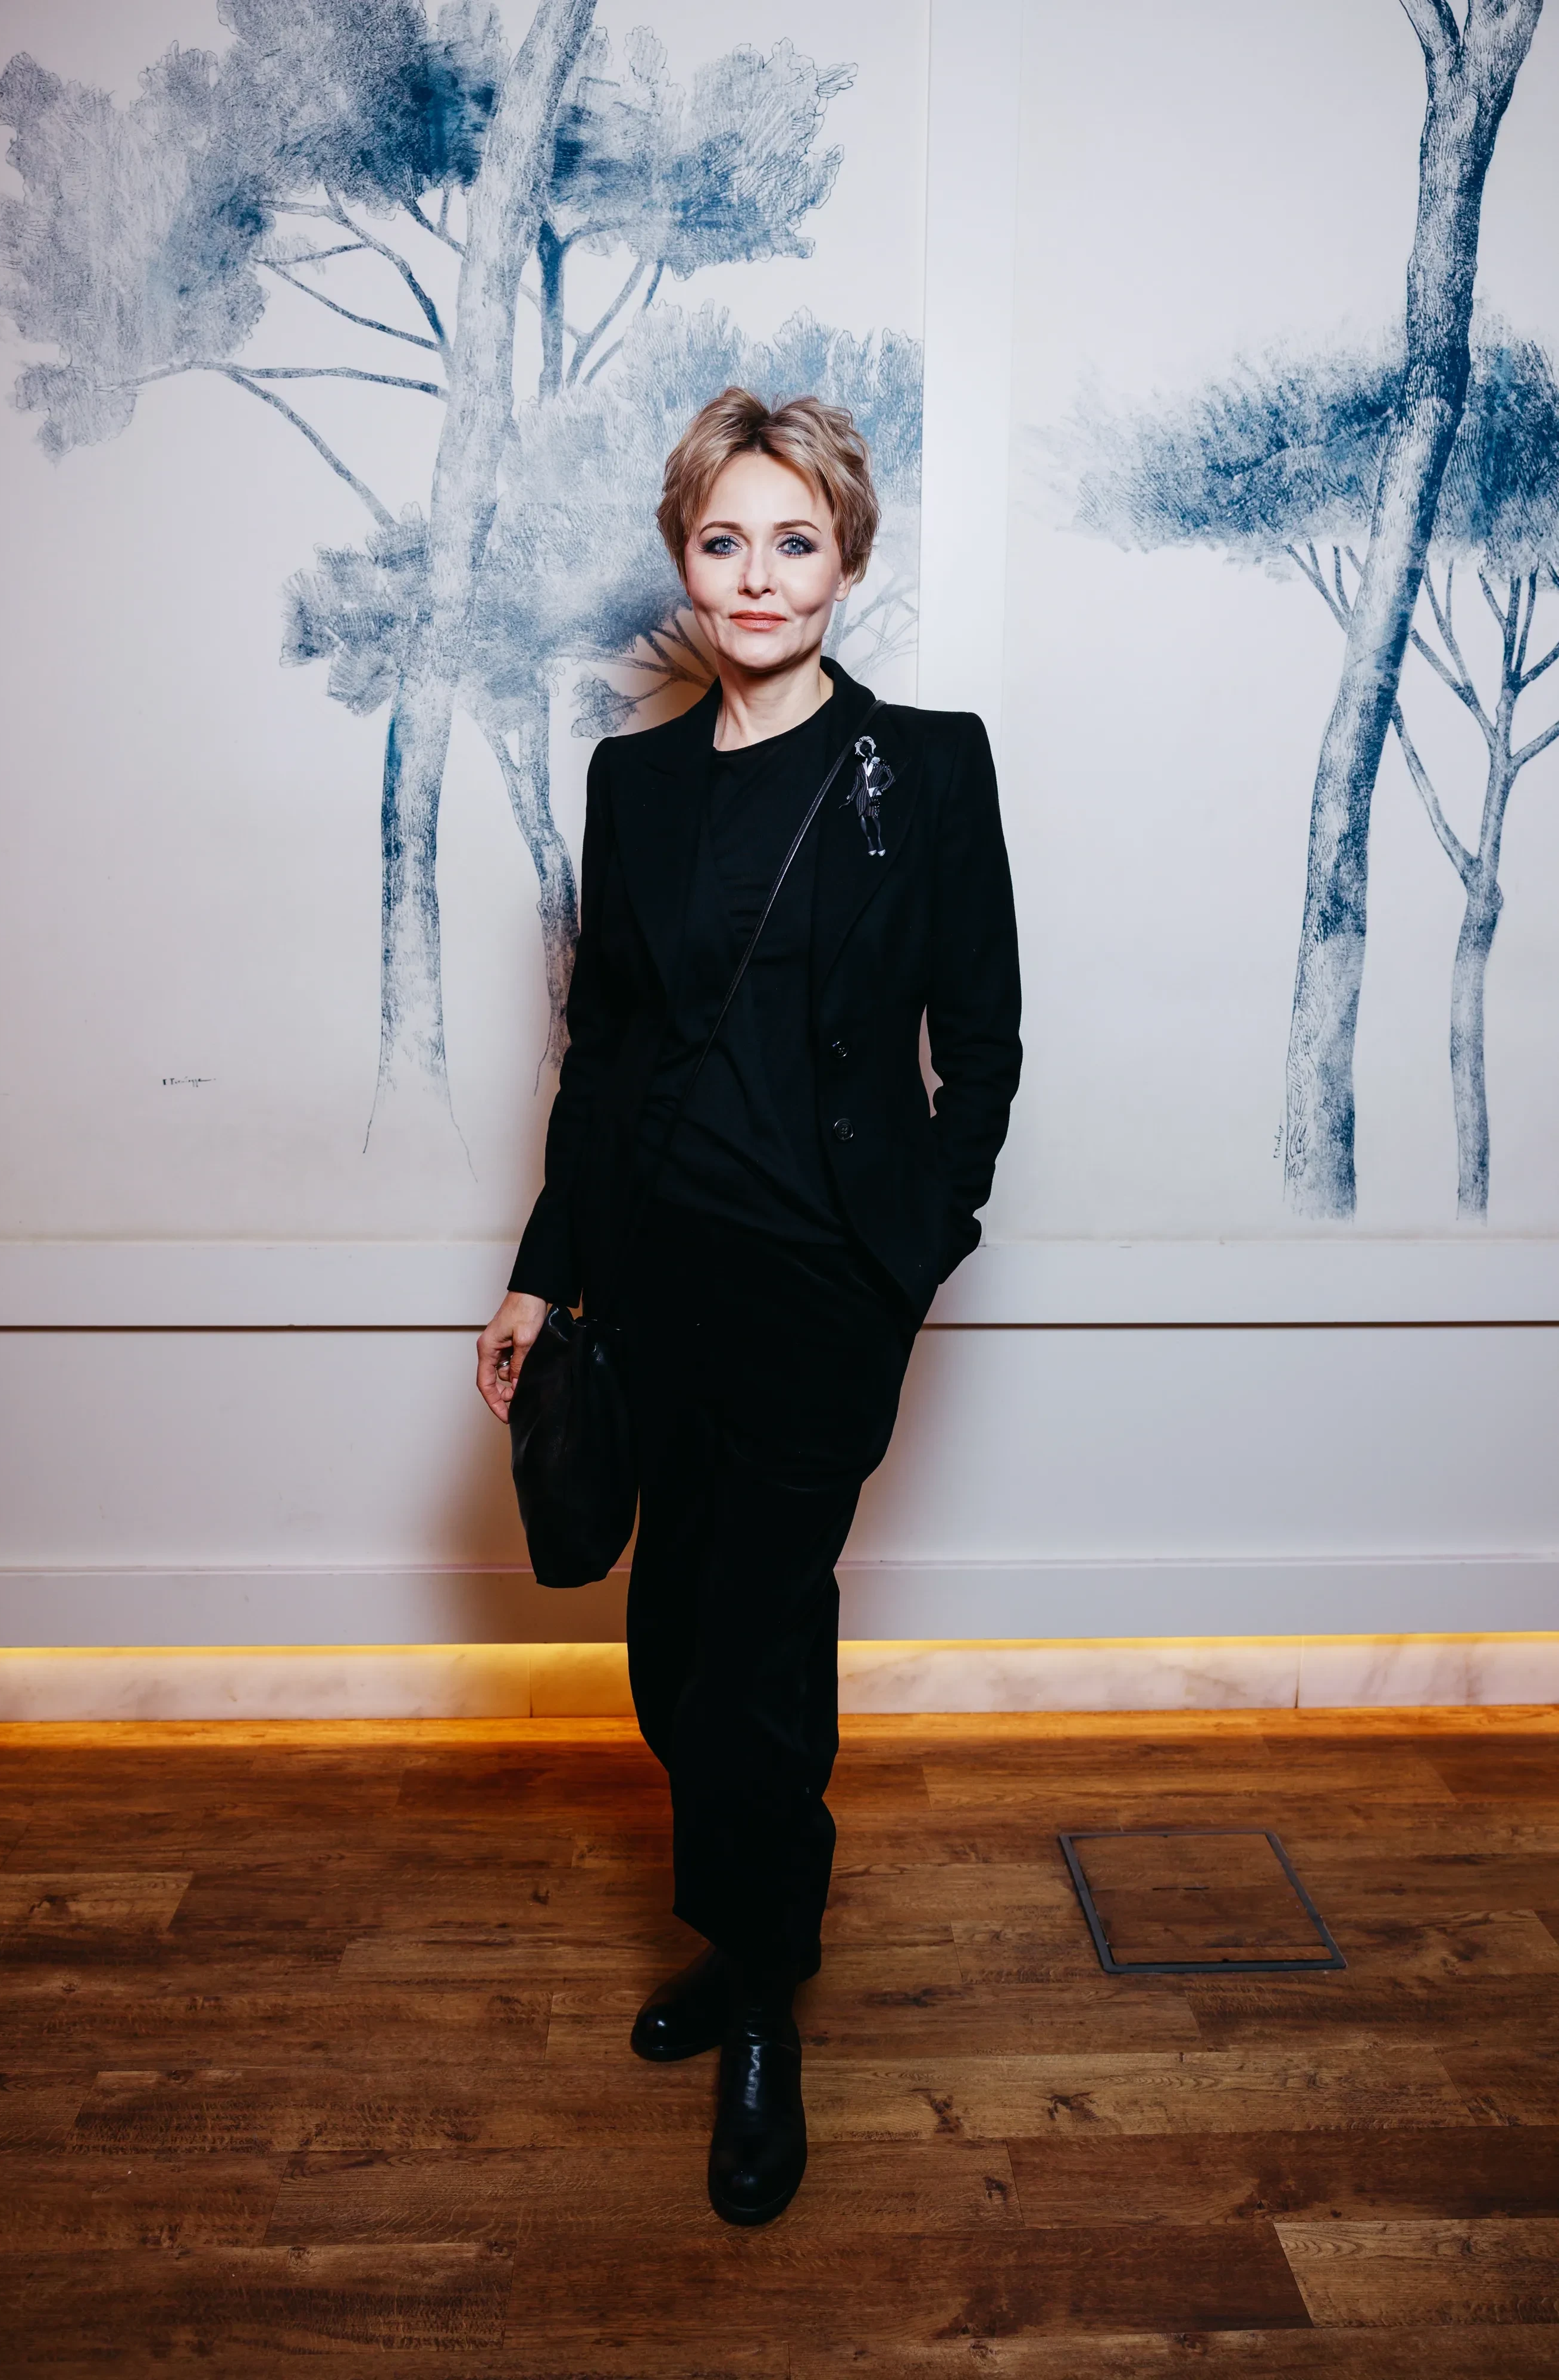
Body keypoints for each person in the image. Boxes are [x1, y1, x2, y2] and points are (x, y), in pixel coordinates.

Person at [477, 389, 1020, 2225]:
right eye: (727, 542)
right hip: (654, 1287)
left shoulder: (927, 768)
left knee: (754, 1659)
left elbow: (984, 1038)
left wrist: (917, 1247)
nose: (761, 575)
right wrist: (542, 1272)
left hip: (823, 1296)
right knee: (671, 1657)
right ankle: (744, 1933)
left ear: (845, 561)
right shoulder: (631, 785)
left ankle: (767, 2003)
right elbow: (606, 1055)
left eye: (797, 541)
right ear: (685, 563)